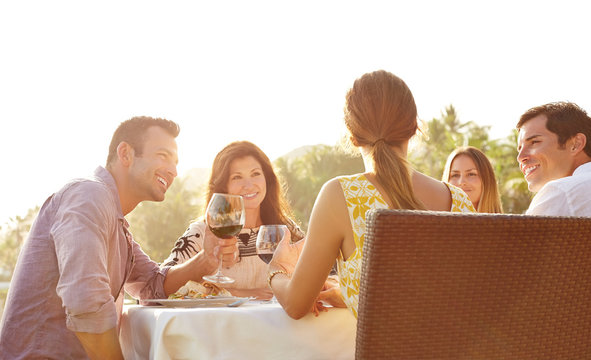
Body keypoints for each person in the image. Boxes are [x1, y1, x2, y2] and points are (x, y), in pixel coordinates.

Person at [0, 116, 238, 360]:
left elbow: (151, 286)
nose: (174, 171)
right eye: (163, 156)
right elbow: (86, 302)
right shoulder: (88, 196)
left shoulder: (116, 223)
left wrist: (207, 259)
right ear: (125, 153)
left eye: (176, 162)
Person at [267, 70, 476, 320]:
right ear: (414, 127)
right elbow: (435, 294)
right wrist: (352, 294)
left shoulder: (342, 196)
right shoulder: (460, 201)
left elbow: (295, 304)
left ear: (353, 136)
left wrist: (276, 270)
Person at [162, 141, 304, 300]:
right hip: (218, 324)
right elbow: (161, 287)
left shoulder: (285, 229)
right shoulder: (202, 233)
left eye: (256, 174)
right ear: (223, 186)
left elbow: (324, 273)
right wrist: (237, 294)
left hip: (277, 324)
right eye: (237, 177)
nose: (249, 185)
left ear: (267, 179)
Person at [516, 101, 591, 216]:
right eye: (520, 148)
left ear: (576, 144)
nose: (520, 157)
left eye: (534, 142)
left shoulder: (562, 191)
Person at [442, 146, 503, 213]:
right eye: (455, 175)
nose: (461, 182)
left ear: (487, 180)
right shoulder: (435, 220)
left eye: (471, 174)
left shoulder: (507, 222)